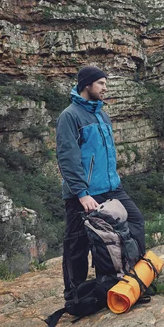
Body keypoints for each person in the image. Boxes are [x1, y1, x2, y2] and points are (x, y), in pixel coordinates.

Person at [56, 65, 145, 299]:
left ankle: (127, 277)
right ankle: (74, 295)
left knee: (134, 222)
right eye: (101, 83)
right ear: (87, 85)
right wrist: (81, 193)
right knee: (77, 243)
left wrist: (114, 178)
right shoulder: (70, 115)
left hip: (111, 188)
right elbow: (68, 157)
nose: (106, 88)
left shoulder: (101, 114)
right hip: (83, 193)